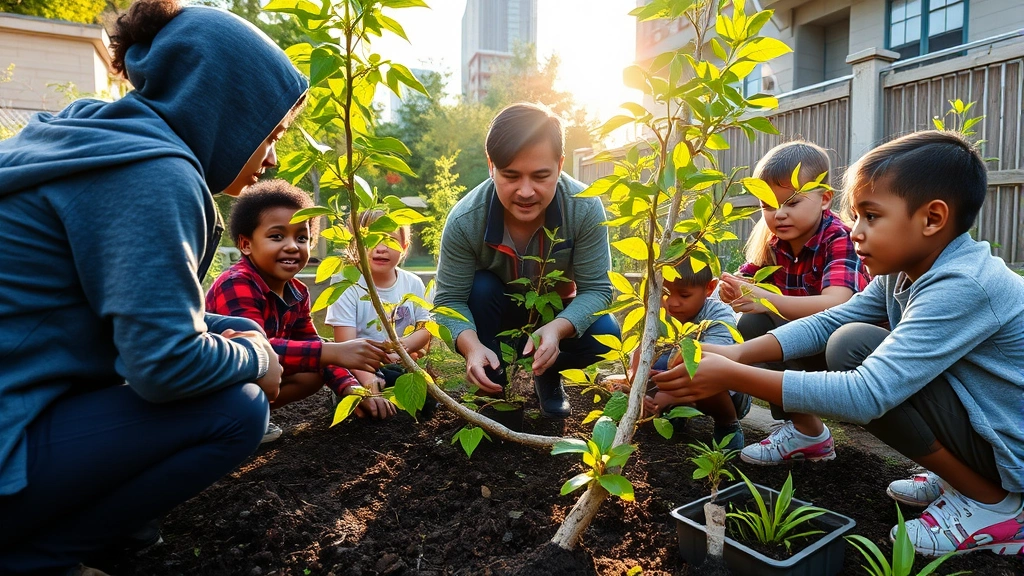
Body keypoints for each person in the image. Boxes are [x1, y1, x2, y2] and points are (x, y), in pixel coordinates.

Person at [0, 1, 310, 573]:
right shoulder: (154, 175)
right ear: (225, 108)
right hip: (8, 444)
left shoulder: (94, 135)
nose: (271, 158)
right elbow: (163, 366)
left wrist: (240, 334)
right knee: (236, 409)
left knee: (238, 338)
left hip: (23, 402)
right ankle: (36, 558)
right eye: (271, 134)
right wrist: (255, 357)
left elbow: (116, 306)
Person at [655, 130, 1024, 557]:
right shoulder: (902, 273)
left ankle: (996, 506)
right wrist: (738, 352)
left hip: (1011, 442)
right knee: (850, 338)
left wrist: (736, 374)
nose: (856, 232)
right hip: (987, 421)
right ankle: (958, 476)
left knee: (858, 350)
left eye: (871, 216)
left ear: (932, 218)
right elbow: (829, 320)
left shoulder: (964, 283)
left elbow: (867, 394)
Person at [433, 102, 620, 419]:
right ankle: (491, 385)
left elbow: (599, 290)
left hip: (554, 311)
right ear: (491, 165)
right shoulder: (466, 220)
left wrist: (557, 330)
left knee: (605, 333)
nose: (525, 191)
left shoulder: (584, 208)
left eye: (541, 176)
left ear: (560, 165)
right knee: (479, 288)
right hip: (495, 315)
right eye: (511, 175)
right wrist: (471, 347)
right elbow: (449, 300)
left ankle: (546, 370)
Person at [717, 140, 868, 465]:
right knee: (752, 324)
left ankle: (807, 431)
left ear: (824, 198)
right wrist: (734, 288)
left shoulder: (839, 238)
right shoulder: (775, 244)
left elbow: (837, 304)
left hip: (844, 353)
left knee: (762, 320)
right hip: (801, 345)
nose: (779, 214)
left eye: (792, 202)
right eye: (767, 206)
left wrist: (767, 300)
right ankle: (804, 430)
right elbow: (749, 282)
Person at [206, 181, 389, 437]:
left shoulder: (298, 292)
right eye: (277, 236)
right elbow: (251, 351)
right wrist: (333, 351)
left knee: (312, 374)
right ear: (246, 244)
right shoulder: (236, 283)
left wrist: (351, 388)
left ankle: (254, 415)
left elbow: (311, 345)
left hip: (253, 376)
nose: (293, 246)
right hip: (217, 380)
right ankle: (224, 421)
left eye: (302, 238)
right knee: (314, 356)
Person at [619, 263, 751, 451]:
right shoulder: (659, 312)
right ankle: (674, 415)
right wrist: (638, 387)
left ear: (709, 288)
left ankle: (728, 424)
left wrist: (670, 395)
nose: (672, 302)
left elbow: (711, 361)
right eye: (665, 292)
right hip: (675, 379)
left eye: (684, 295)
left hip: (725, 391)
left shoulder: (718, 314)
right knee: (648, 380)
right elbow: (643, 350)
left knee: (708, 374)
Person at [325, 208, 434, 419]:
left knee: (426, 403)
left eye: (390, 240)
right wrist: (367, 379)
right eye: (371, 239)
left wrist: (406, 345)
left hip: (402, 364)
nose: (381, 248)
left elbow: (426, 329)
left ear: (404, 247)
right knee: (365, 404)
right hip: (359, 367)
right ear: (355, 245)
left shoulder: (412, 283)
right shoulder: (346, 284)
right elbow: (344, 346)